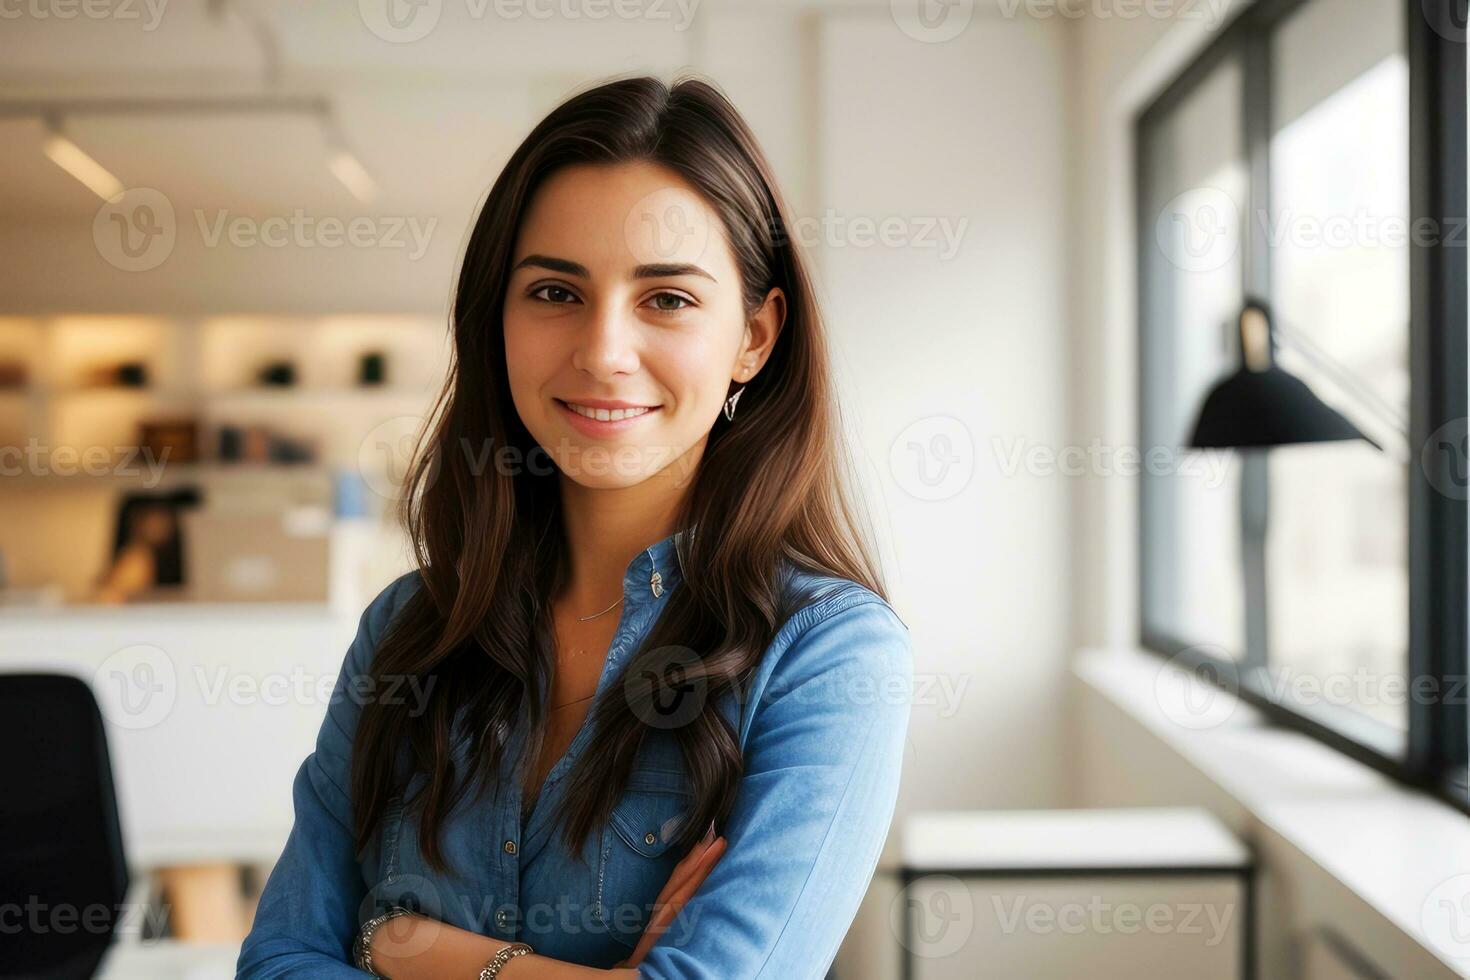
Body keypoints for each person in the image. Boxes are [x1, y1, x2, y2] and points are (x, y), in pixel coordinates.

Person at [236, 72, 913, 980]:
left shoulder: (827, 655)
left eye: (666, 299)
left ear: (755, 335)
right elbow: (278, 963)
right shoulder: (405, 630)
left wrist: (407, 947)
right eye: (555, 293)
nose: (602, 351)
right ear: (499, 319)